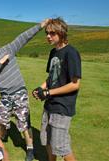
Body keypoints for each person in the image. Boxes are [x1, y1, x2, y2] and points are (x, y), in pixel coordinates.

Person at [0, 19, 49, 161]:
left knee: (24, 123)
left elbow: (23, 37)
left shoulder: (7, 50)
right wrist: (0, 63)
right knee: (1, 123)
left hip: (19, 93)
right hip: (5, 96)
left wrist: (41, 25)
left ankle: (30, 149)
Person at [32, 18, 81, 161]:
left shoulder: (71, 53)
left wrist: (48, 93)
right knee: (46, 140)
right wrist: (40, 88)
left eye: (52, 33)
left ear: (61, 33)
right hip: (49, 105)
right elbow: (51, 78)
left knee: (61, 147)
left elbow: (75, 84)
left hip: (62, 107)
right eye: (47, 33)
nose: (48, 36)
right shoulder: (53, 52)